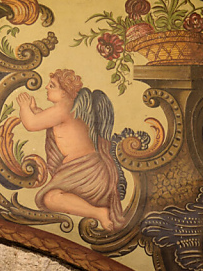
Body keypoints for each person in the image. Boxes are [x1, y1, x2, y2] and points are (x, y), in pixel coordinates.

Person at [16, 69, 126, 231]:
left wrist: (24, 107)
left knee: (50, 199)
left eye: (52, 85)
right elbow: (47, 120)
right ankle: (98, 212)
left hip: (85, 172)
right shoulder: (68, 109)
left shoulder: (62, 110)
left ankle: (99, 213)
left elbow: (32, 124)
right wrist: (35, 109)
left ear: (64, 93)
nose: (46, 87)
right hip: (86, 170)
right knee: (51, 198)